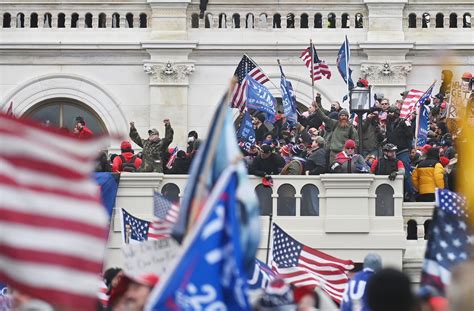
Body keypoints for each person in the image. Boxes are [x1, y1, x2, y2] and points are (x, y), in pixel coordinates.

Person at [313, 94, 358, 164]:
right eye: (342, 115)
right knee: (333, 170)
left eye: (345, 116)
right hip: (333, 154)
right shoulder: (335, 124)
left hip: (344, 154)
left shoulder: (351, 128)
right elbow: (325, 118)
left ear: (347, 117)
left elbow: (356, 142)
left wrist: (351, 153)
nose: (343, 117)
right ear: (339, 117)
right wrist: (317, 109)